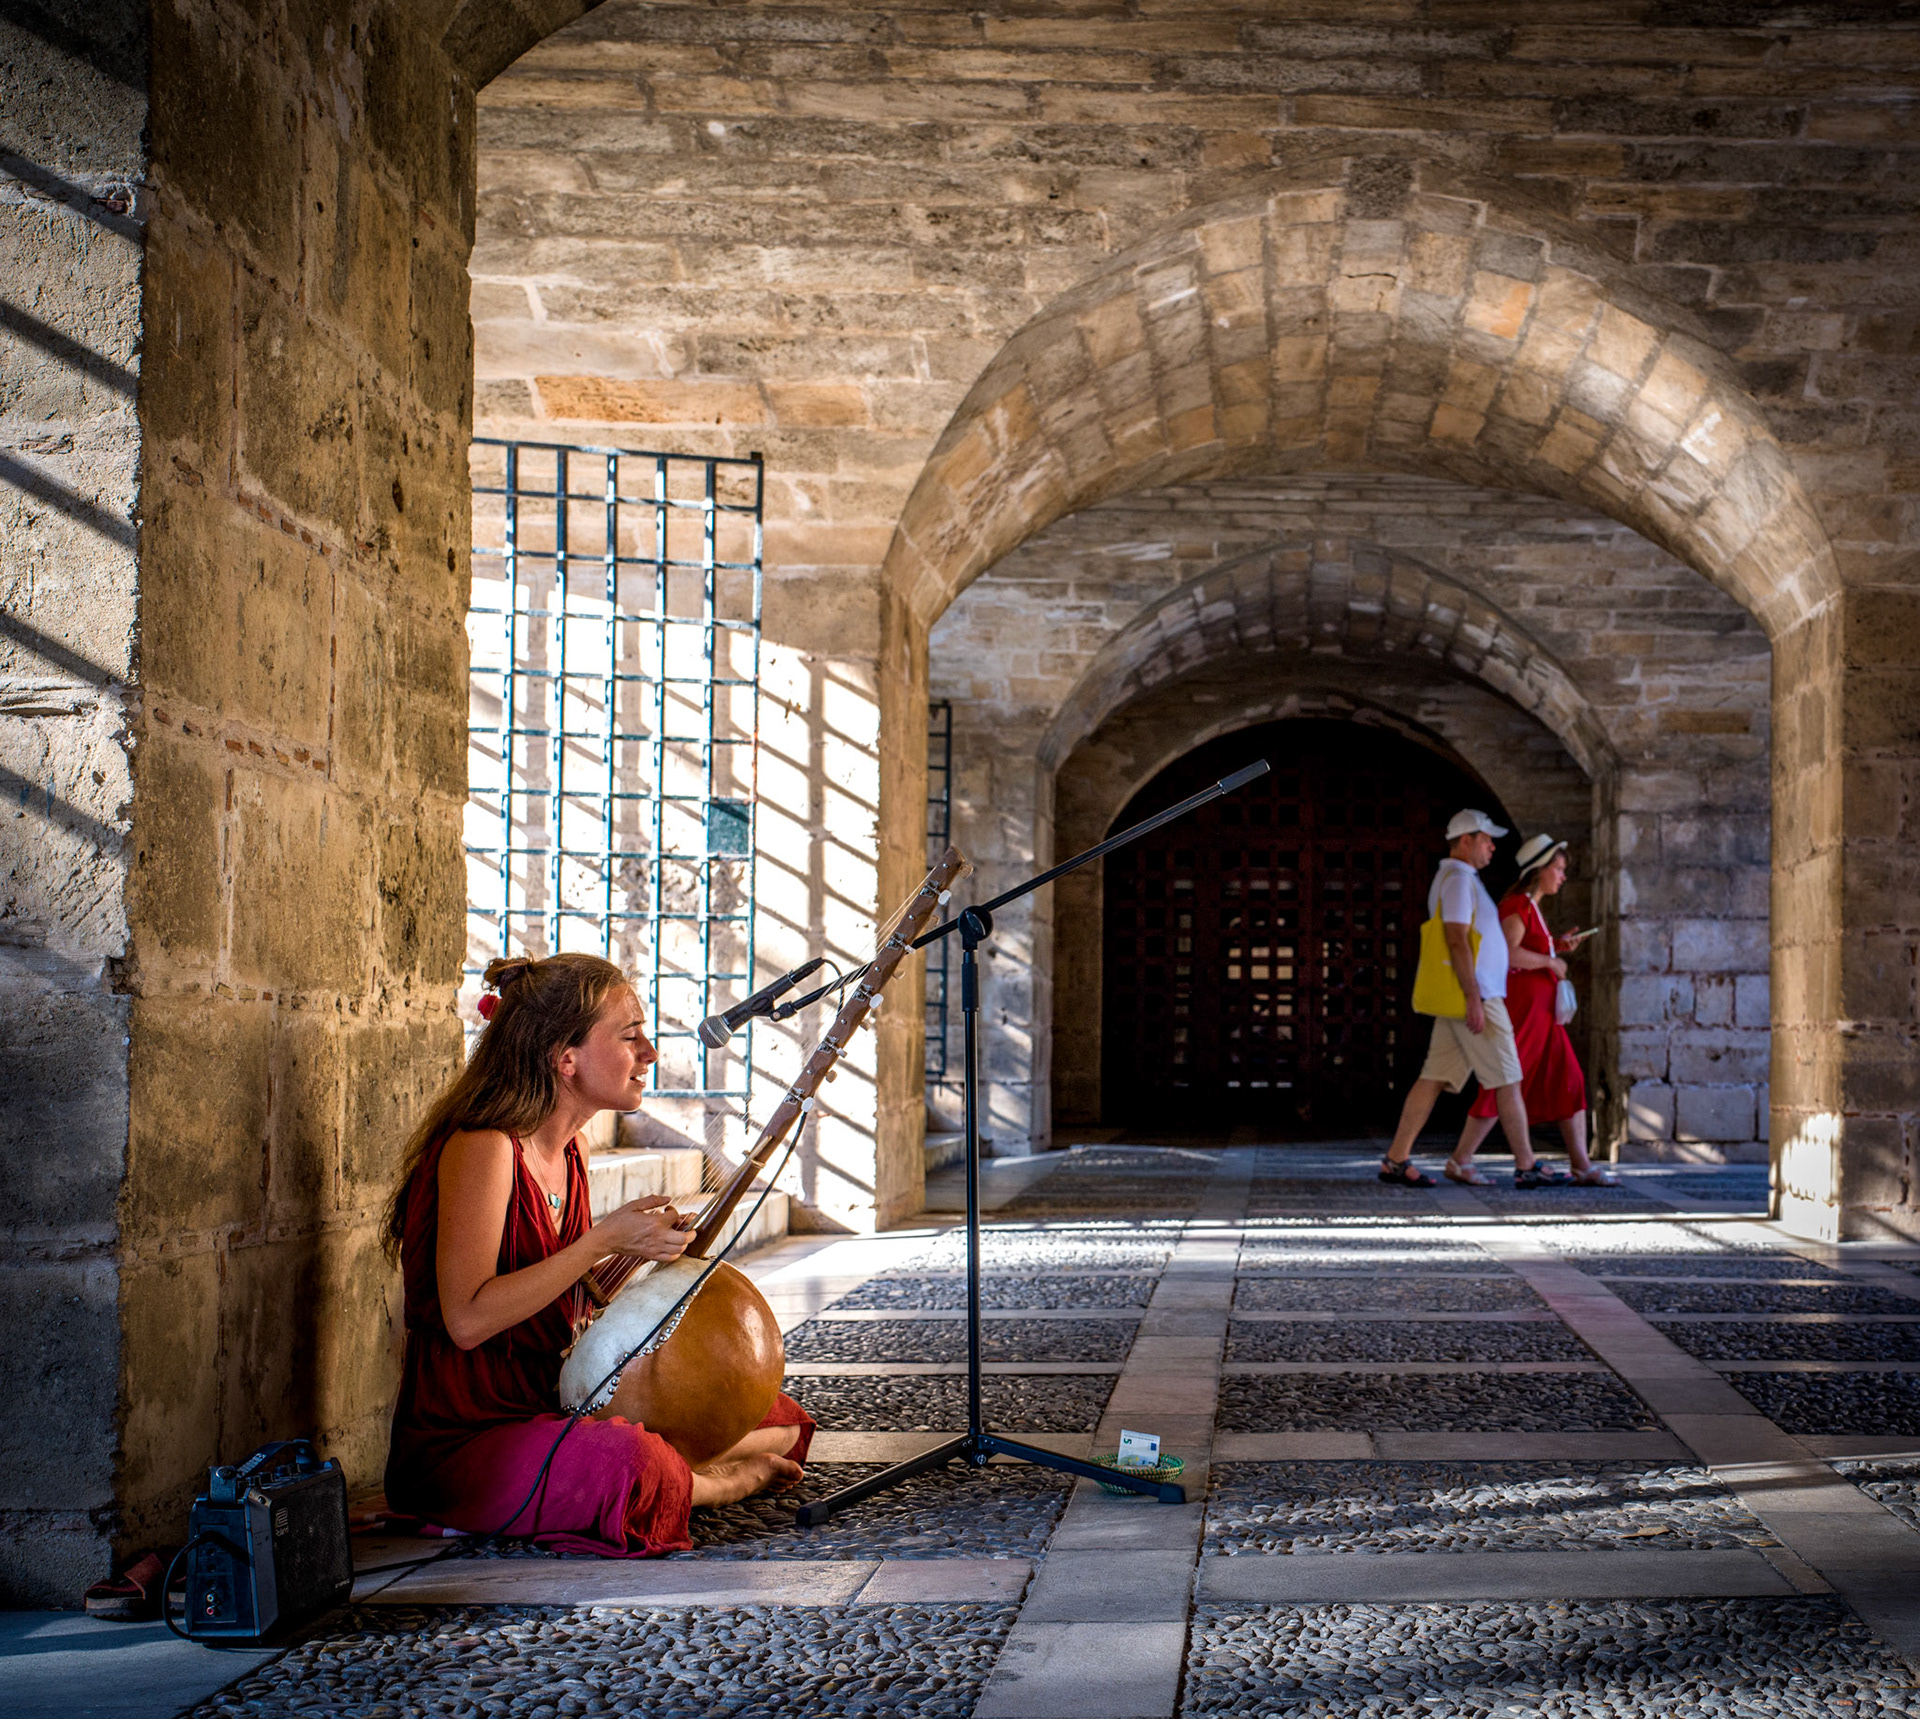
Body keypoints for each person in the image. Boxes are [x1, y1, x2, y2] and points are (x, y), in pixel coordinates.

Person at [383, 952, 812, 1557]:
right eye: (630, 1037)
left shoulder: (572, 1149)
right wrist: (601, 1242)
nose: (651, 1054)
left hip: (555, 1403)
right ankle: (708, 1484)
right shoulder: (483, 1149)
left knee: (776, 1418)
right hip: (471, 1436)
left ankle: (669, 1470)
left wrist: (635, 1253)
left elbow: (563, 1294)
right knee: (637, 1463)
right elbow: (468, 1319)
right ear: (566, 1058)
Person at [1378, 810, 1571, 1190]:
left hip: (1471, 995)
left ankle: (1396, 1158)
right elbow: (1456, 939)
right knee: (1509, 1077)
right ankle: (1526, 1164)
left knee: (1434, 1077)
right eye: (1485, 839)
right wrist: (1472, 998)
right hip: (1478, 995)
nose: (1492, 846)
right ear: (1465, 840)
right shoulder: (1456, 880)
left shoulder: (1460, 879)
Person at [1448, 835, 1616, 1187]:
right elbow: (1509, 954)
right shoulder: (1517, 906)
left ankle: (1581, 1164)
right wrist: (1551, 962)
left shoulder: (1531, 907)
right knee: (1503, 1080)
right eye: (1558, 868)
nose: (1562, 876)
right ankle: (1461, 1159)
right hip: (1524, 1010)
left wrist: (1556, 946)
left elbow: (1528, 948)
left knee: (1568, 1078)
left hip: (1543, 1016)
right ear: (1539, 870)